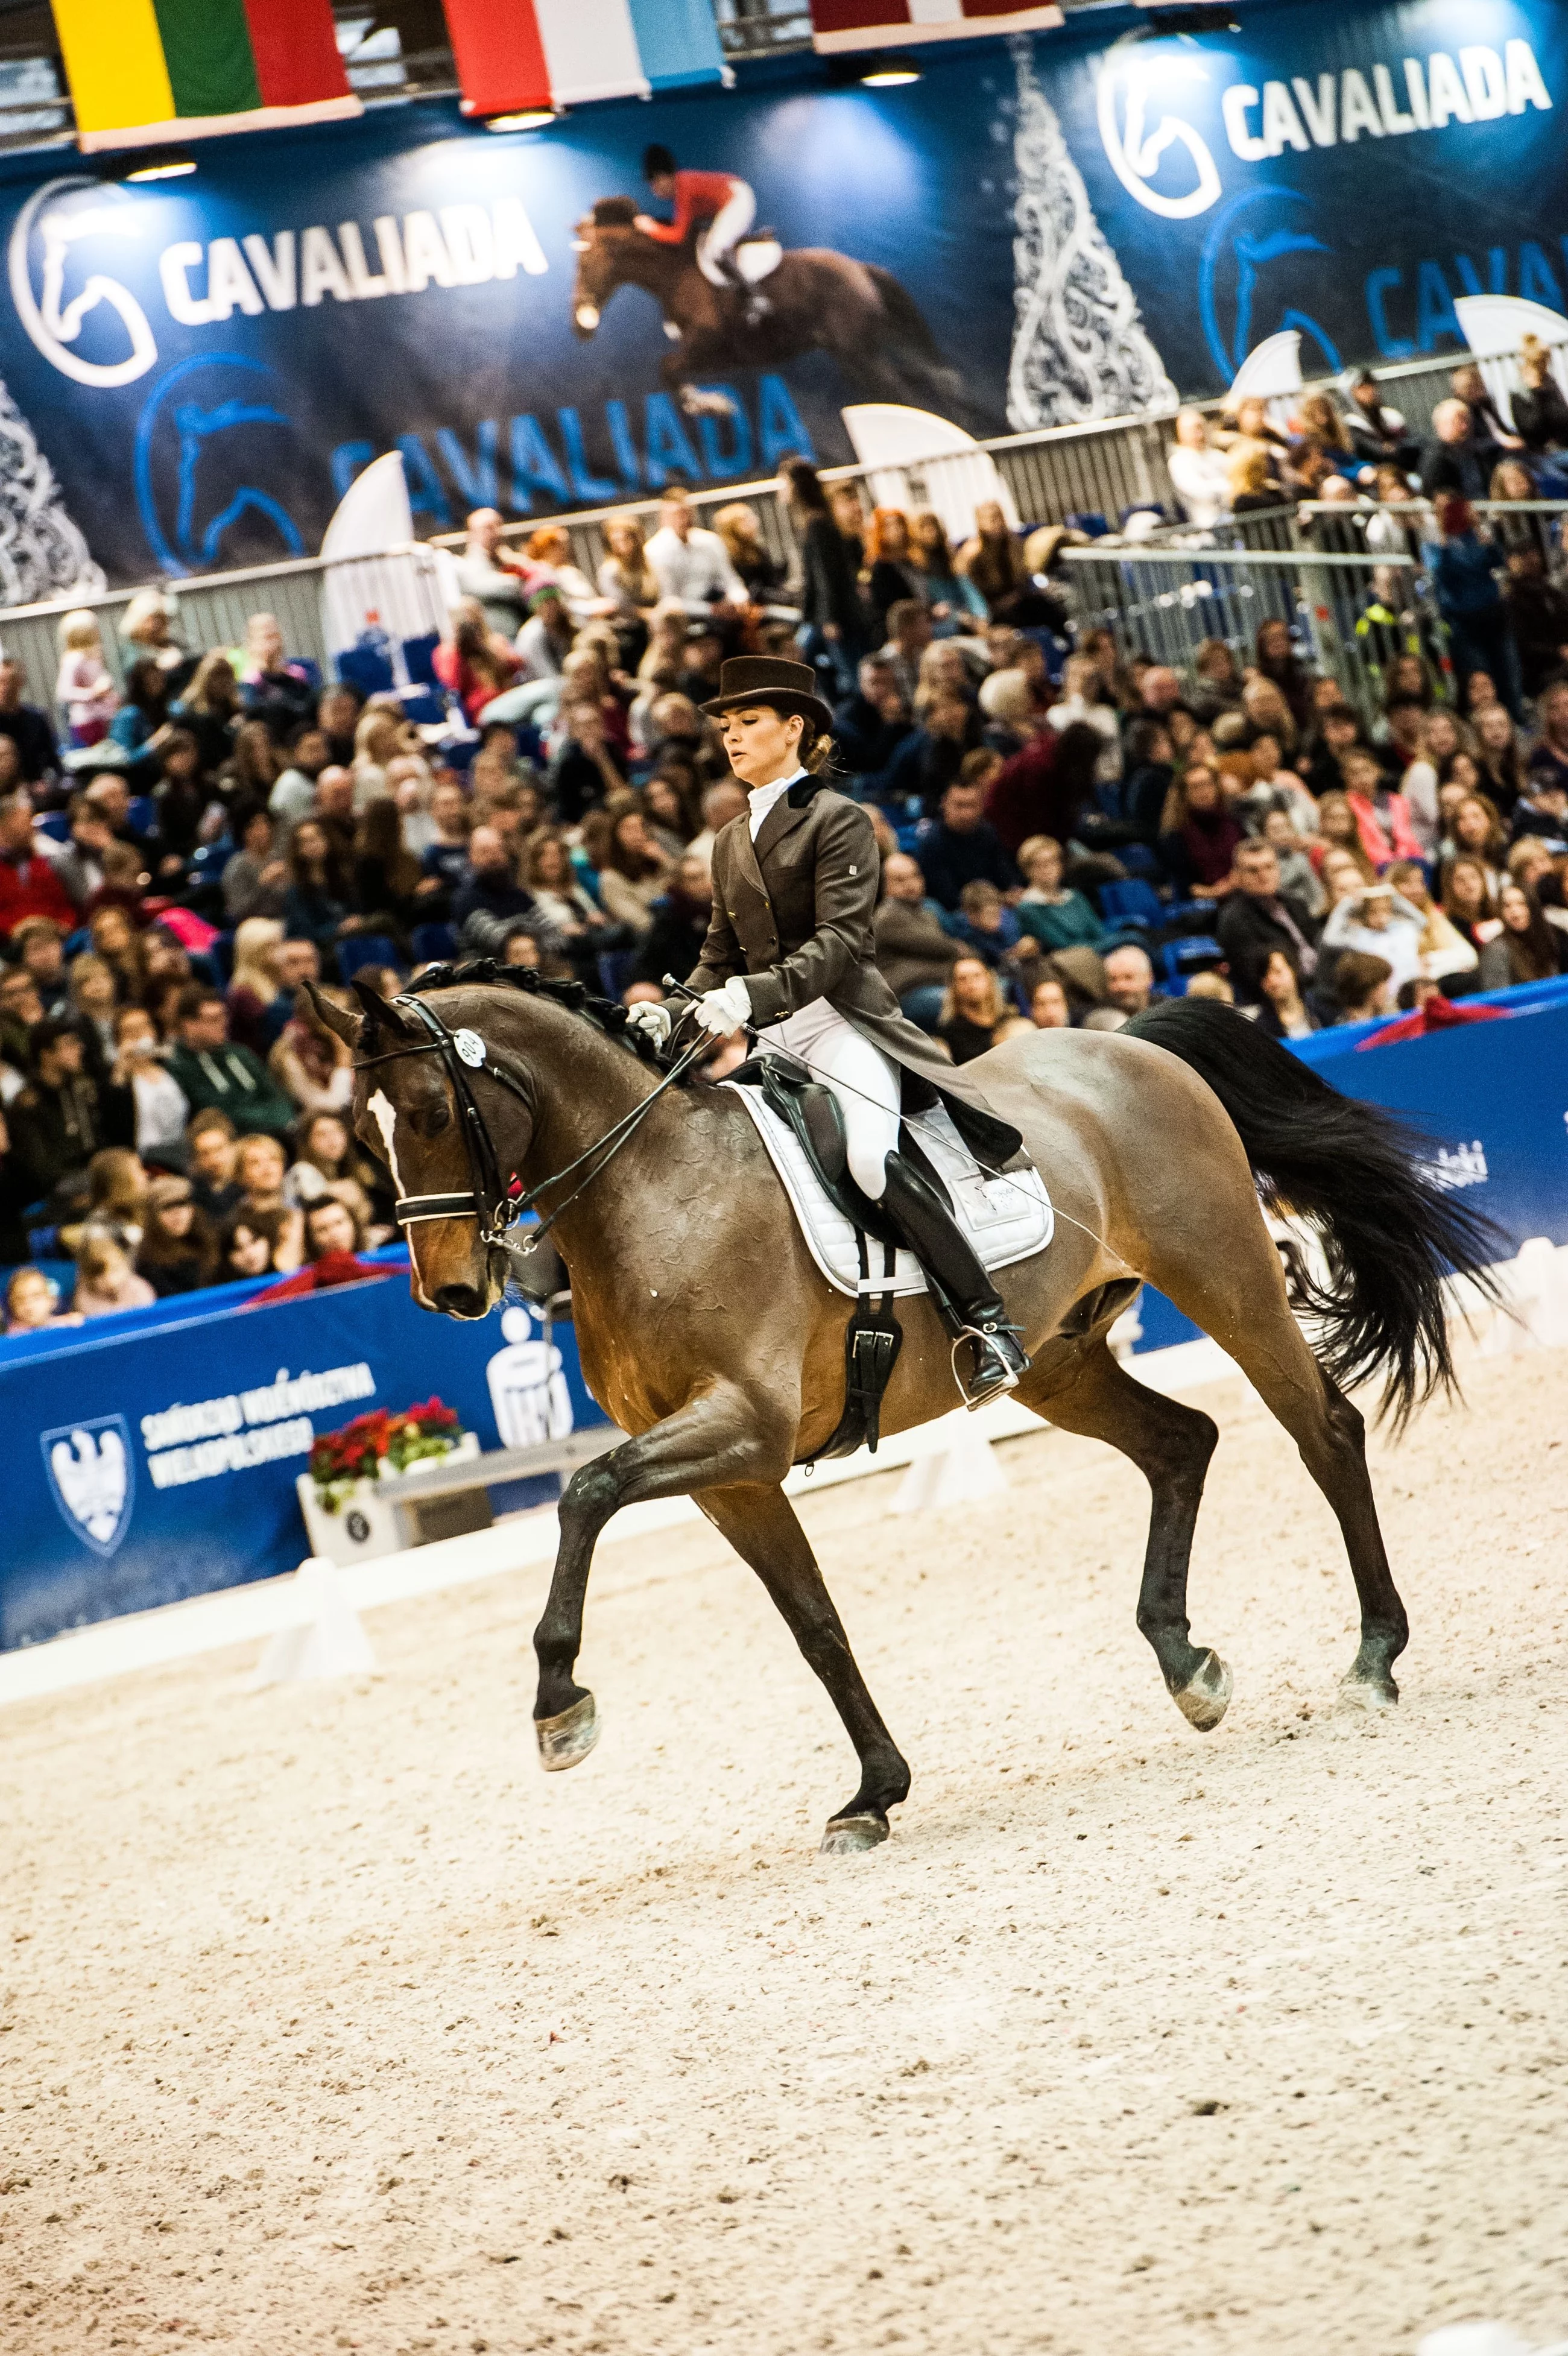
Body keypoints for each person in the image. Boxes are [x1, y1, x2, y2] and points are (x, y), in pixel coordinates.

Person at [626, 654, 1032, 1405]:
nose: (732, 737)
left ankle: (986, 1324)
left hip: (844, 1027)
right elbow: (717, 955)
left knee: (872, 1161)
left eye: (748, 722)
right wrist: (672, 1007)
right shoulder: (726, 840)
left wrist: (749, 996)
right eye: (725, 726)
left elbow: (839, 944)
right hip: (774, 1041)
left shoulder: (836, 819)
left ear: (794, 728)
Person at [637, 142, 769, 322]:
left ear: (662, 178)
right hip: (730, 199)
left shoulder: (684, 186)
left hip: (737, 198)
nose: (654, 193)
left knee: (716, 249)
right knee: (705, 240)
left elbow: (677, 236)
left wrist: (651, 228)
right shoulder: (683, 185)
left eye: (654, 185)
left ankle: (755, 297)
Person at [1421, 494, 1522, 716]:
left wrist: (1479, 529)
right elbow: (1441, 575)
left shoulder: (1476, 536)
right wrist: (1443, 539)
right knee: (1480, 677)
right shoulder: (1432, 545)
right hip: (1463, 621)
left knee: (1509, 672)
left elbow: (1497, 560)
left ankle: (1516, 720)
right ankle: (1485, 724)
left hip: (1493, 613)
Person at [779, 456, 869, 698]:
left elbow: (825, 575)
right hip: (827, 614)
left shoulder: (816, 523)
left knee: (854, 674)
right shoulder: (820, 519)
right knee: (800, 661)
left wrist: (830, 618)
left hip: (834, 615)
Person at [164, 985, 297, 1140]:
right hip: (231, 1140)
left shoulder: (240, 1054)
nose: (223, 1024)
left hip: (275, 1133)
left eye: (223, 1016)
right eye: (213, 1019)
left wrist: (284, 1121)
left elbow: (276, 1096)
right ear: (189, 1025)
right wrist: (272, 1121)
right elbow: (220, 1111)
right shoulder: (179, 1066)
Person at [1215, 839, 1321, 1007]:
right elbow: (1257, 977)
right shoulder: (1234, 919)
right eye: (1253, 870)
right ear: (1238, 876)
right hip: (1282, 1001)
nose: (1263, 875)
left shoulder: (1295, 903)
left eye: (1269, 867)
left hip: (1320, 985)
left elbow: (1319, 945)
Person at [644, 494, 747, 616]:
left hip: (719, 603)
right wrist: (710, 610)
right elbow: (669, 600)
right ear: (664, 518)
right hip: (684, 614)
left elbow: (730, 580)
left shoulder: (710, 540)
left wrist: (739, 599)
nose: (684, 519)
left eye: (687, 512)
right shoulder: (655, 550)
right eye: (677, 514)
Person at [0, 791, 77, 937]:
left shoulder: (43, 862)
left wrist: (63, 925)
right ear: (5, 823)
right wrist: (19, 930)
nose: (32, 826)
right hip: (10, 945)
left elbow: (64, 908)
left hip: (54, 940)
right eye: (26, 819)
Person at [1014, 834, 1104, 951]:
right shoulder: (1028, 908)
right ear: (1027, 870)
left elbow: (1098, 932)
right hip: (1067, 963)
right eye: (1040, 865)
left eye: (1052, 862)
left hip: (1099, 952)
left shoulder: (1075, 896)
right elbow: (1063, 945)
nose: (1048, 869)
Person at [135, 1173, 217, 1296]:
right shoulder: (147, 1263)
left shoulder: (210, 1241)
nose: (177, 1213)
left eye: (182, 1204)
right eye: (167, 1207)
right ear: (153, 1217)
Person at [1478, 880, 1568, 988]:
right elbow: (1497, 998)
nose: (1515, 912)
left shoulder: (1549, 938)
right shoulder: (1496, 950)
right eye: (1507, 906)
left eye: (1522, 904)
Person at [937, 955, 1011, 1064]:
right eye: (963, 979)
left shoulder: (1009, 1021)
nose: (971, 983)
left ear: (989, 979)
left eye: (977, 976)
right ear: (954, 987)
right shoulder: (948, 1034)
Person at [1166, 408, 1231, 527]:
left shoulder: (1216, 455)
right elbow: (1201, 491)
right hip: (1206, 525)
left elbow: (1239, 476)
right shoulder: (1179, 461)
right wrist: (1230, 487)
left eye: (1201, 427)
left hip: (1232, 518)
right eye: (1192, 429)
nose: (1199, 434)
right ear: (1180, 433)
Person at [0, 658, 59, 785]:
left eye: (10, 681)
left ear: (20, 682)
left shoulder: (36, 719)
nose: (5, 688)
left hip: (36, 787)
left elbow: (53, 760)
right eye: (1, 682)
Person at [72, 1231, 155, 1318]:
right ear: (87, 1278)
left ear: (125, 1265)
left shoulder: (139, 1288)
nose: (109, 1280)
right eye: (99, 1276)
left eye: (115, 1270)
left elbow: (147, 1315)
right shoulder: (85, 1298)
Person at [1250, 946, 1318, 1040]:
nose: (1273, 981)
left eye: (1278, 972)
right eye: (1265, 976)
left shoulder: (1320, 1006)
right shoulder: (1262, 1029)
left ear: (1293, 970)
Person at [4, 1263, 81, 1336]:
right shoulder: (15, 1335)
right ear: (12, 1306)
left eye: (36, 1296)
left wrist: (70, 1320)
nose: (29, 1305)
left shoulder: (55, 1322)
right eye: (20, 1300)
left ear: (51, 1300)